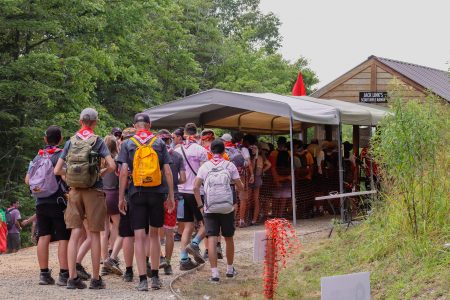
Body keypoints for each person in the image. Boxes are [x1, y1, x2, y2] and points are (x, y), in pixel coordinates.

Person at [54, 108, 116, 289]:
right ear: (95, 122)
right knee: (95, 234)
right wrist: (98, 175)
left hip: (74, 192)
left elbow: (57, 170)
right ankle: (96, 279)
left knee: (74, 233)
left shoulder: (70, 142)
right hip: (94, 192)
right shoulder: (97, 141)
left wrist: (71, 180)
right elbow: (111, 165)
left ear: (80, 121)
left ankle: (72, 278)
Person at [117, 113, 175, 291]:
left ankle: (142, 280)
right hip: (157, 193)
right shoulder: (158, 143)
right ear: (149, 125)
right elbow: (167, 171)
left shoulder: (128, 143)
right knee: (155, 235)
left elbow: (124, 172)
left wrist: (121, 197)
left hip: (137, 193)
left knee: (139, 237)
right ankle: (156, 277)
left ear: (135, 126)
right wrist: (171, 196)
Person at [25, 125, 71, 285]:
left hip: (40, 203)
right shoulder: (60, 156)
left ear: (45, 139)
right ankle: (64, 274)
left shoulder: (38, 157)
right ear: (60, 139)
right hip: (57, 202)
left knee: (43, 236)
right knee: (63, 237)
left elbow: (27, 180)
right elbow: (65, 178)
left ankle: (44, 274)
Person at [194, 139, 243, 282]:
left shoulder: (205, 166)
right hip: (227, 207)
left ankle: (214, 274)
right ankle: (229, 270)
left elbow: (195, 187)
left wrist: (201, 206)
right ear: (224, 151)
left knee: (212, 239)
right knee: (228, 238)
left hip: (210, 208)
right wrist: (237, 195)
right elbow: (240, 186)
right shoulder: (230, 165)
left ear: (210, 151)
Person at [175, 123, 208, 271]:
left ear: (184, 133)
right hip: (196, 192)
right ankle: (195, 243)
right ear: (196, 133)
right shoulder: (201, 150)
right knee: (207, 223)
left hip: (181, 192)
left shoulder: (177, 150)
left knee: (187, 226)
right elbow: (204, 173)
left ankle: (183, 259)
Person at [157, 129, 186, 275]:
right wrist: (173, 183)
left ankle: (160, 258)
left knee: (155, 232)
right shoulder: (178, 156)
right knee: (169, 232)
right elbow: (183, 179)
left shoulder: (154, 154)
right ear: (170, 140)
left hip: (155, 196)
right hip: (172, 196)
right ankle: (167, 263)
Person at [115, 127, 136, 282]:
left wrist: (121, 198)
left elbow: (121, 175)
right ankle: (148, 265)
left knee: (127, 234)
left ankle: (129, 271)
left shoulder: (120, 156)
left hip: (128, 195)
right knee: (146, 234)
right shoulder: (148, 149)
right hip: (145, 193)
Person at [101, 135, 123, 276]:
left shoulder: (100, 160)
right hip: (114, 194)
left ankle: (104, 262)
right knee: (117, 227)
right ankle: (112, 258)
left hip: (101, 195)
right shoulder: (117, 160)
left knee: (104, 231)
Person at [250, 142, 271, 225]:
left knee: (255, 199)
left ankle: (254, 219)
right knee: (253, 199)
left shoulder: (259, 157)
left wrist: (262, 170)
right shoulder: (255, 157)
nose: (253, 150)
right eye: (252, 148)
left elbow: (269, 165)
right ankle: (254, 218)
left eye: (255, 148)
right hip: (255, 178)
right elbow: (269, 164)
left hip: (256, 178)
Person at [172, 127, 185, 242]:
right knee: (183, 214)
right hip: (191, 186)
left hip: (178, 187)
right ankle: (181, 233)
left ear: (180, 137)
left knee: (180, 212)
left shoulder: (177, 151)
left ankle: (179, 233)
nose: (173, 139)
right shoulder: (198, 148)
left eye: (174, 137)